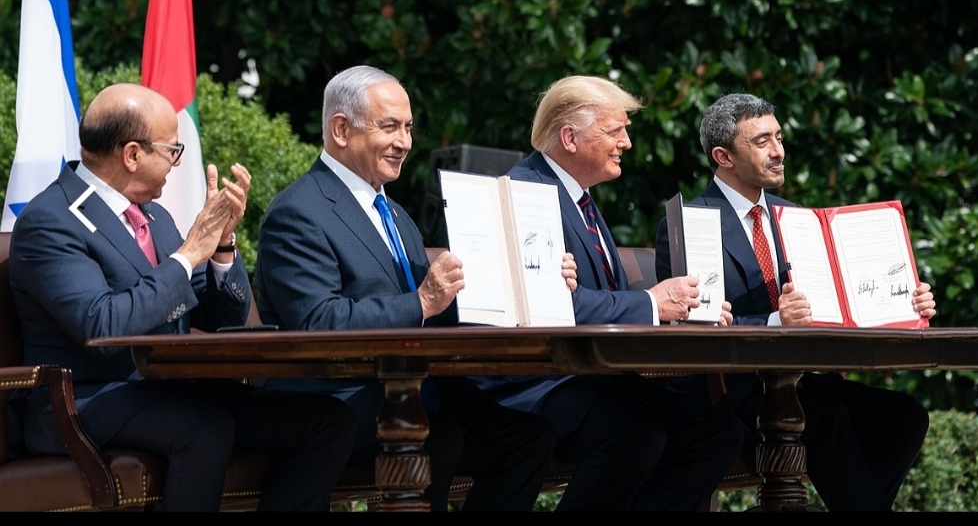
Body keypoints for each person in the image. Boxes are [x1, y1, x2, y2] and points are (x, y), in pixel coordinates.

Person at [9, 83, 358, 512]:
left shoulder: (154, 216)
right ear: (132, 154)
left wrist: (222, 247)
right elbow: (101, 327)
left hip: (172, 388)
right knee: (204, 429)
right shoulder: (51, 221)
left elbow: (217, 317)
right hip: (86, 399)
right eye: (172, 150)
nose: (177, 163)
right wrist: (188, 254)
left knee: (327, 422)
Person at [253, 65, 561, 512]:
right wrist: (421, 300)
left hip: (415, 391)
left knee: (528, 439)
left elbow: (435, 309)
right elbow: (318, 322)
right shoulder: (298, 213)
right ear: (341, 130)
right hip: (341, 399)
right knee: (439, 439)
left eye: (409, 127)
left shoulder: (395, 214)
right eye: (390, 127)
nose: (405, 142)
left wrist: (531, 283)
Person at [471, 75, 745, 512]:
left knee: (714, 433)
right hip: (533, 383)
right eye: (615, 131)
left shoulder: (578, 196)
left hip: (588, 375)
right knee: (635, 436)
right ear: (570, 138)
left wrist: (684, 309)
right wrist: (654, 303)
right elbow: (555, 307)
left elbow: (605, 299)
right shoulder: (527, 193)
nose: (626, 143)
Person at [653, 92, 934, 512]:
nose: (778, 151)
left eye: (779, 137)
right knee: (822, 416)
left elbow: (843, 301)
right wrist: (773, 321)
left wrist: (905, 302)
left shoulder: (797, 217)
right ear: (723, 156)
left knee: (906, 417)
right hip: (737, 392)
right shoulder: (690, 224)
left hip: (808, 380)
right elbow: (695, 325)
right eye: (762, 141)